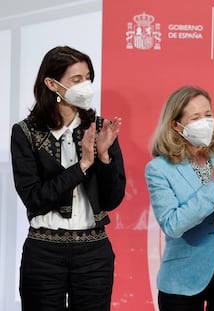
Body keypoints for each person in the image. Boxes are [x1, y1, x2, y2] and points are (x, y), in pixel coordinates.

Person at [10, 46, 126, 311]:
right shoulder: (25, 133)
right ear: (52, 83)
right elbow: (35, 198)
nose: (85, 86)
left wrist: (104, 157)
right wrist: (83, 164)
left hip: (94, 252)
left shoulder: (101, 129)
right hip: (43, 251)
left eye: (88, 78)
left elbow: (113, 199)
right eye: (77, 80)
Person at [145, 85, 214, 311]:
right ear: (176, 125)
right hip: (182, 280)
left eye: (208, 115)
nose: (205, 122)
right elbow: (173, 225)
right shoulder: (158, 169)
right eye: (195, 117)